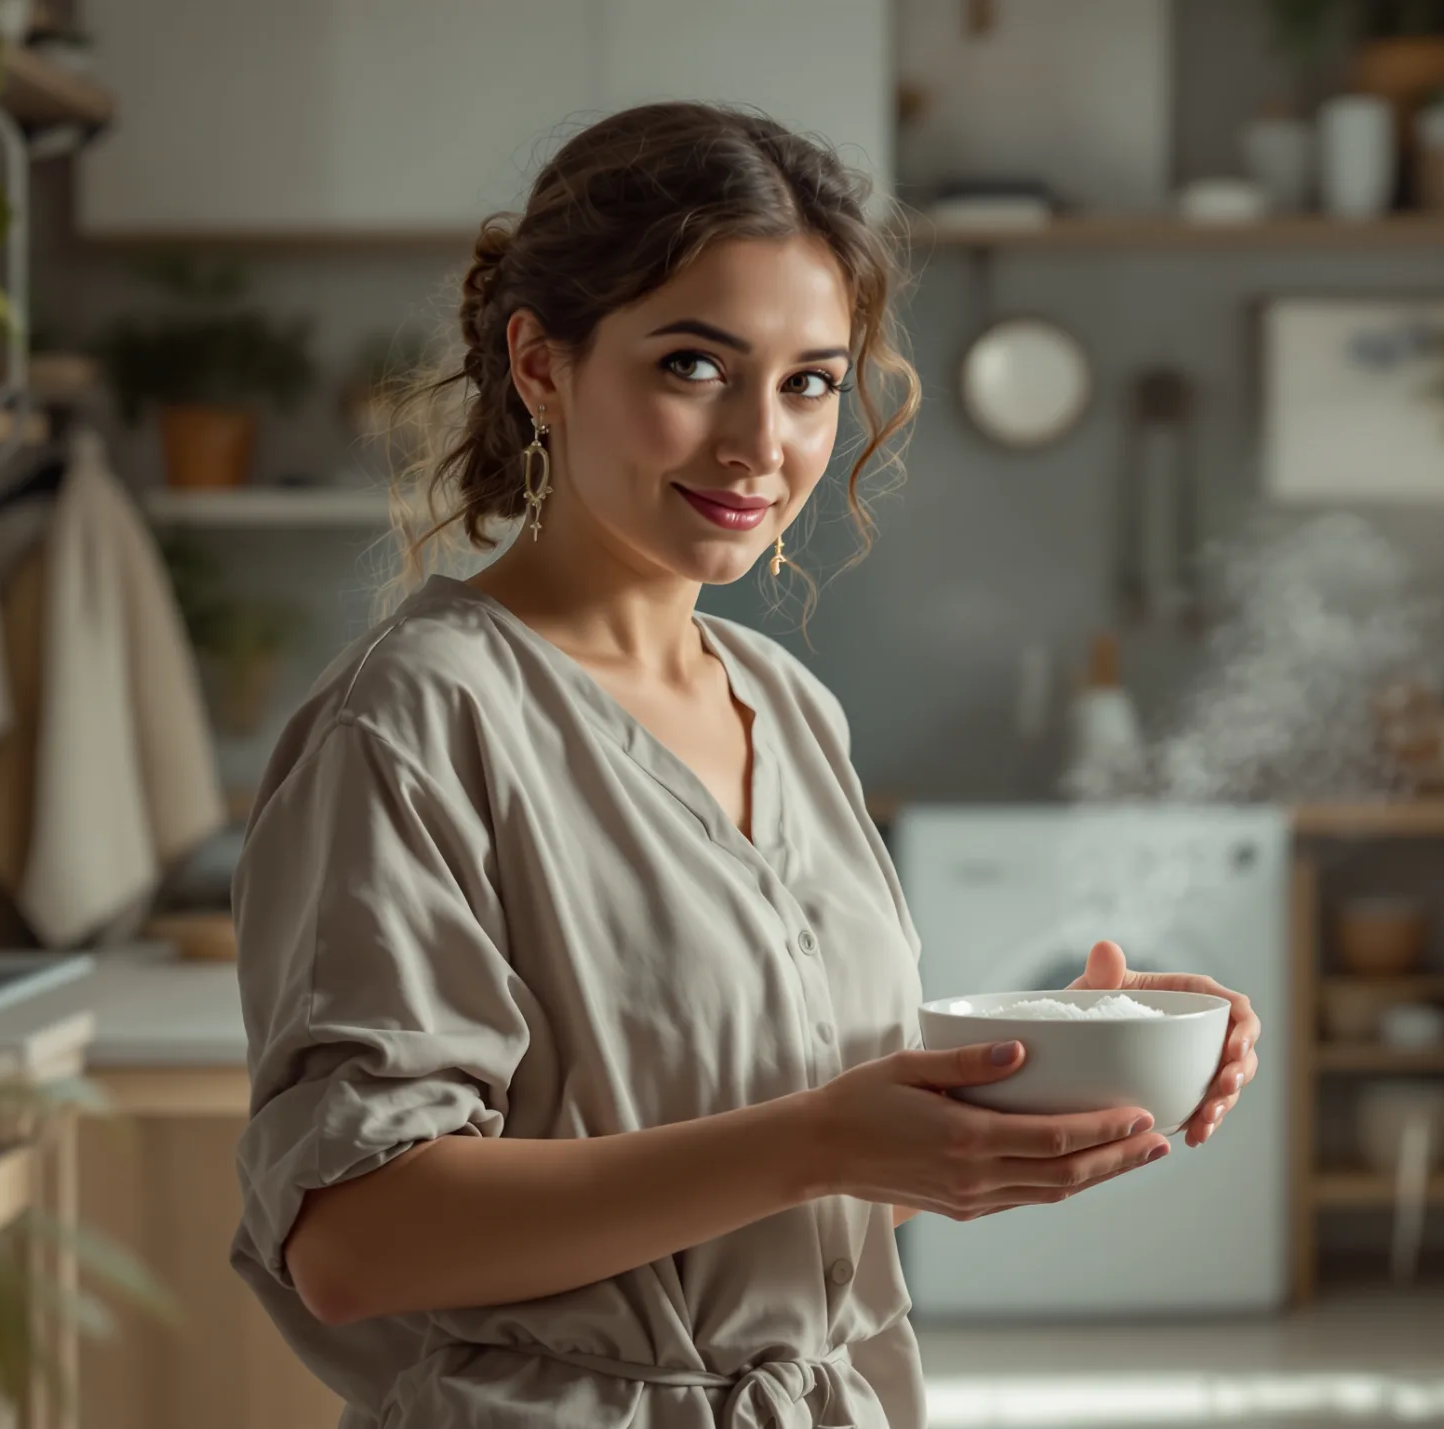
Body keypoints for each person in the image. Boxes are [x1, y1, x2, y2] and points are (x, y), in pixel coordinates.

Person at [229, 102, 1262, 1429]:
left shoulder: (785, 703)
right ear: (540, 367)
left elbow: (769, 1089)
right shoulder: (419, 719)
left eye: (809, 381)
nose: (759, 444)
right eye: (692, 366)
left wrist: (1057, 1064)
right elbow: (355, 1242)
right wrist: (825, 1141)